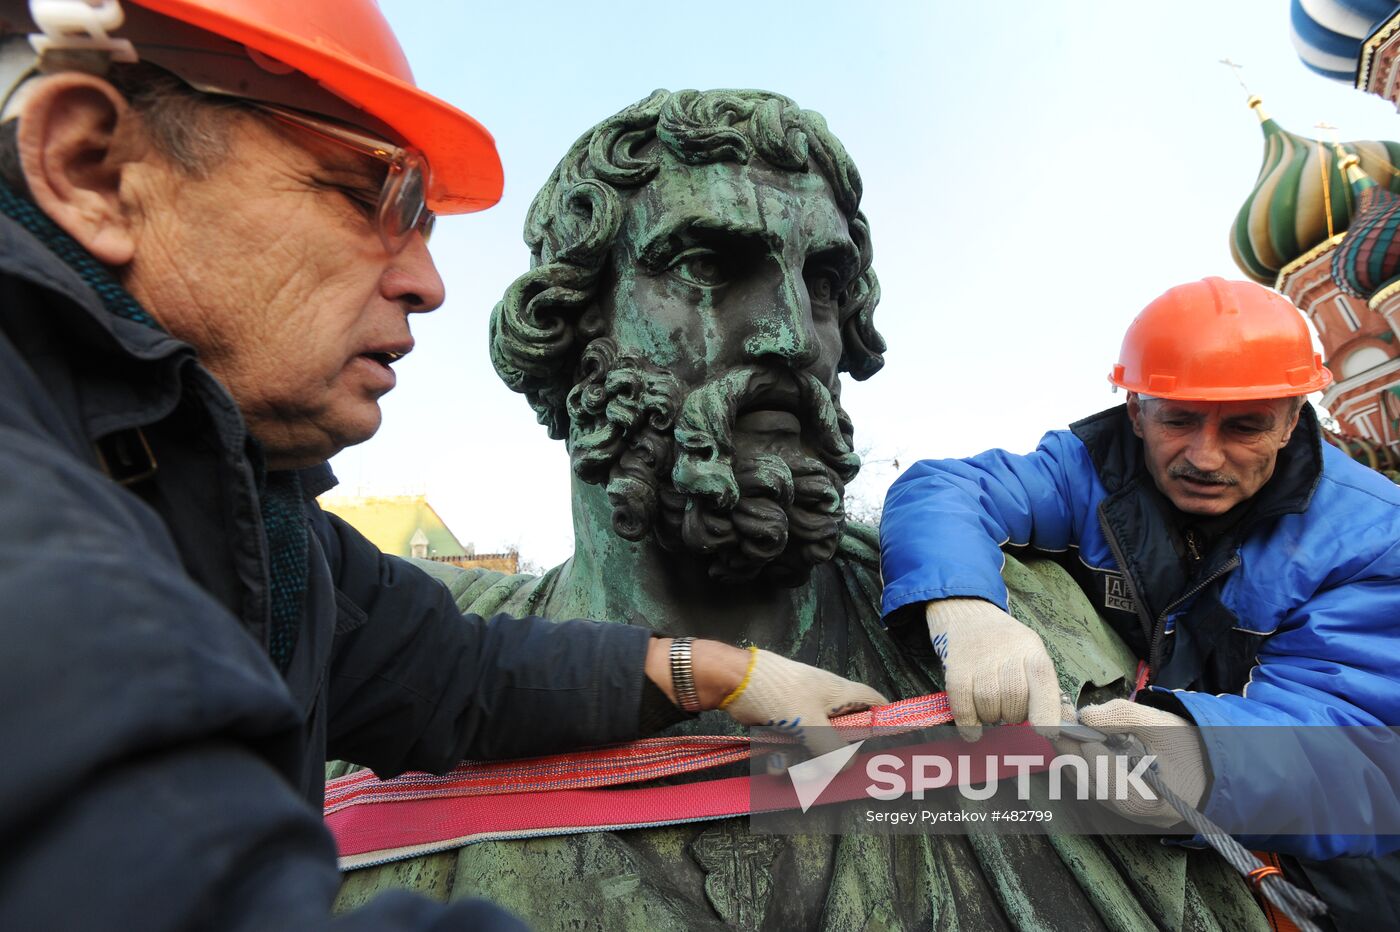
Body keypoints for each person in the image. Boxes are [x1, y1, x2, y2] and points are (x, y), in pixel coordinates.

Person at [0, 4, 890, 929]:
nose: (430, 281)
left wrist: (721, 674)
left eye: (823, 284)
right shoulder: (31, 499)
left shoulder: (258, 528)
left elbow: (462, 672)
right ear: (92, 170)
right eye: (367, 195)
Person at [333, 91, 1275, 931]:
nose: (791, 332)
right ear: (571, 329)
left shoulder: (1038, 630)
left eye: (823, 285)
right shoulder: (381, 685)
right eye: (706, 264)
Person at [880, 276, 1400, 927]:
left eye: (1245, 427)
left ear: (1294, 418)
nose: (1205, 457)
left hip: (1339, 858)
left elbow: (1355, 748)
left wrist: (1203, 758)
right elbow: (947, 489)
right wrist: (965, 608)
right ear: (1135, 409)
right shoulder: (1089, 469)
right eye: (1178, 420)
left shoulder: (1373, 536)